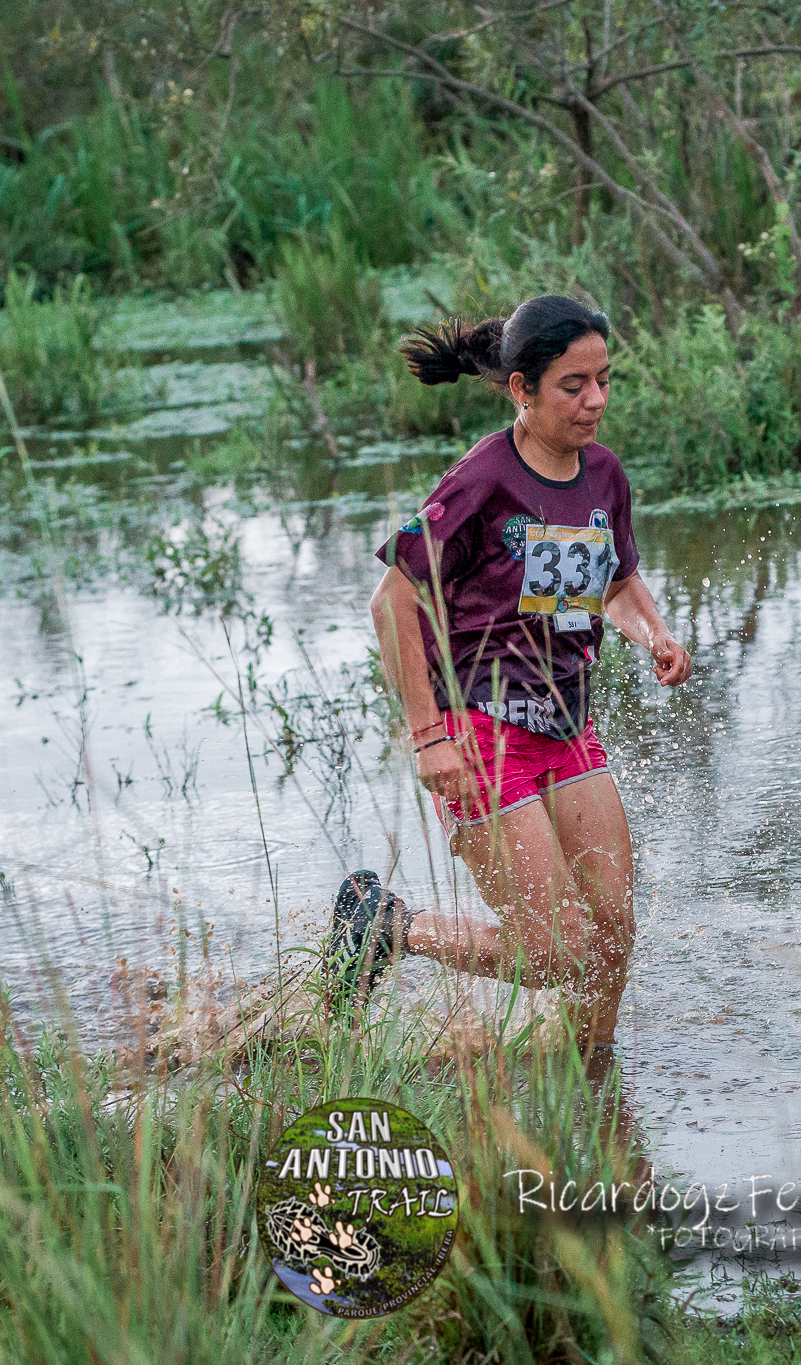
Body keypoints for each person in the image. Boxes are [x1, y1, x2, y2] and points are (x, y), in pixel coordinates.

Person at [325, 294, 692, 1061]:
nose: (595, 401)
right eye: (573, 386)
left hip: (567, 725)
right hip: (480, 730)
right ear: (523, 388)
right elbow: (393, 599)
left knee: (612, 931)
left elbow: (618, 581)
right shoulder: (481, 480)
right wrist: (428, 737)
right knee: (555, 949)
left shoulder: (605, 474)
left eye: (604, 380)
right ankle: (387, 927)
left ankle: (593, 1079)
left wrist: (654, 632)